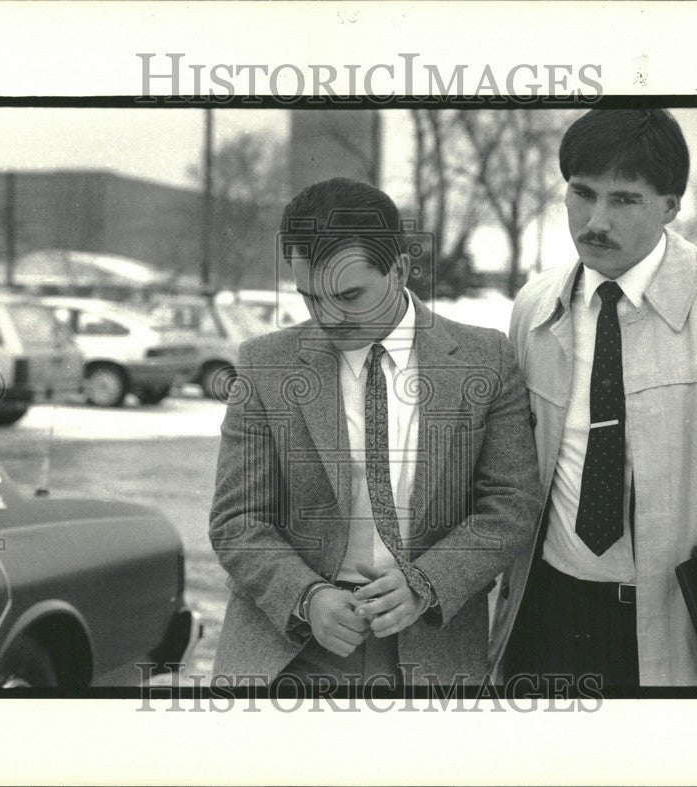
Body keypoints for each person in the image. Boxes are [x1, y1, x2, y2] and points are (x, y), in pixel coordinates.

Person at [489, 109, 697, 688]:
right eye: (581, 193)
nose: (594, 221)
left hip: (687, 623)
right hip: (549, 606)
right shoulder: (533, 307)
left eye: (625, 200)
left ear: (670, 206)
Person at [210, 177, 543, 689]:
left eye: (348, 295)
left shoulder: (486, 359)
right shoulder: (264, 364)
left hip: (435, 645)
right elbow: (237, 519)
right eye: (309, 297)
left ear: (400, 270)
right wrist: (307, 597)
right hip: (288, 649)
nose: (327, 317)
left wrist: (426, 584)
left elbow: (511, 503)